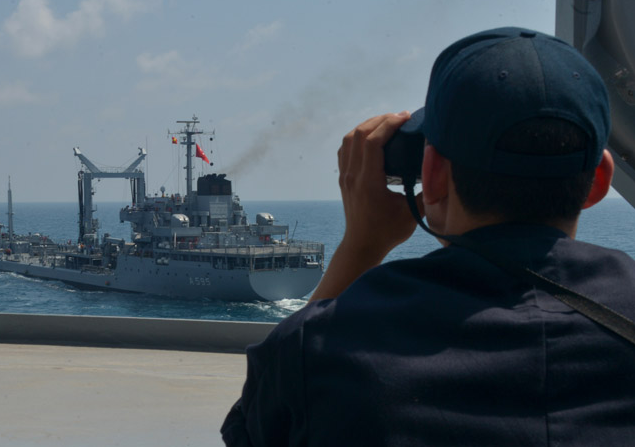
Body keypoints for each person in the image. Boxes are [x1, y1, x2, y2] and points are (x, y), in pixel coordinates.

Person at [222, 27, 635, 446]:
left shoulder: (322, 350)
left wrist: (361, 248)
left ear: (431, 173)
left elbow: (253, 428)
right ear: (599, 181)